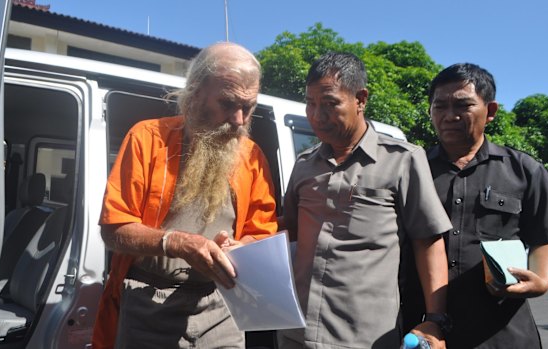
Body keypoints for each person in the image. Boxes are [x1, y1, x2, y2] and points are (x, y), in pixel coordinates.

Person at [91, 42, 278, 349]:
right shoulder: (146, 138)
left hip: (222, 306)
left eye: (249, 106)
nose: (240, 120)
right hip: (150, 301)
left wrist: (241, 247)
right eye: (228, 103)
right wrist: (176, 242)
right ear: (194, 93)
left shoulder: (252, 155)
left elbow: (262, 233)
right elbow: (114, 230)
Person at [277, 52, 452, 349]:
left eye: (330, 104)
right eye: (310, 103)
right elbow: (287, 230)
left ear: (360, 99)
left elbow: (428, 242)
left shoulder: (402, 160)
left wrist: (435, 318)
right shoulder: (304, 164)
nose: (317, 115)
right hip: (297, 332)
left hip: (365, 337)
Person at [402, 63, 548, 348]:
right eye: (440, 106)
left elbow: (546, 236)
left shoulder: (524, 171)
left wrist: (541, 281)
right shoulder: (411, 170)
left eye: (463, 105)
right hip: (424, 331)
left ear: (491, 111)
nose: (450, 116)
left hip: (501, 332)